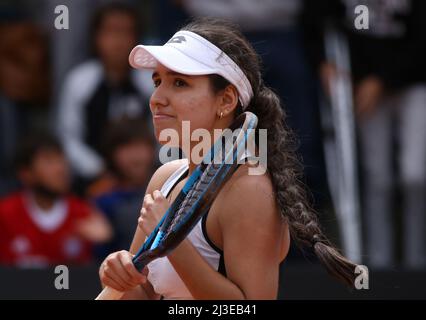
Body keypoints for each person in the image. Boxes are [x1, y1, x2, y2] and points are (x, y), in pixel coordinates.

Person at [98, 17, 356, 300]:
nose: (157, 97)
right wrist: (119, 275)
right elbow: (145, 294)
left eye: (180, 83)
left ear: (226, 101)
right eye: (157, 81)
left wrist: (174, 243)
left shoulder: (249, 191)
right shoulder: (164, 178)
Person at [56, 2, 153, 189]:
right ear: (95, 37)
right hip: (91, 180)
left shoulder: (151, 82)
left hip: (146, 178)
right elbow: (68, 139)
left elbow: (165, 135)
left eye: (126, 32)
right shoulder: (79, 81)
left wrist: (144, 169)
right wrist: (99, 171)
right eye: (110, 31)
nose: (118, 41)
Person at [0, 132, 112, 267]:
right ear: (26, 173)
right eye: (49, 161)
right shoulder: (5, 215)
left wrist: (105, 243)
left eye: (61, 160)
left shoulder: (83, 214)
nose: (60, 169)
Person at [90, 118, 157, 261]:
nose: (135, 157)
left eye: (140, 146)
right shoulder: (101, 197)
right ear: (112, 154)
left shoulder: (167, 189)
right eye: (127, 148)